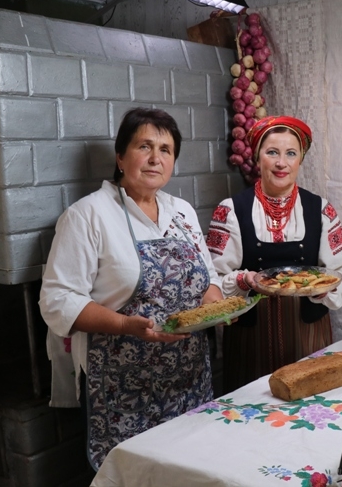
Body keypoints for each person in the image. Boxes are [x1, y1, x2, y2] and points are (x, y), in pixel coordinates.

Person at [39, 108, 224, 469]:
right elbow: (58, 300)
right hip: (121, 389)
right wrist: (125, 325)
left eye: (166, 150)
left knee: (193, 469)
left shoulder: (182, 212)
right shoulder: (88, 215)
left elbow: (208, 278)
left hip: (188, 378)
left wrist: (218, 307)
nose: (156, 158)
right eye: (144, 146)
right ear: (121, 157)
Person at [207, 115, 342, 393]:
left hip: (308, 335)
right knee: (250, 408)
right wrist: (243, 281)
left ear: (300, 159)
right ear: (257, 157)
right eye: (272, 152)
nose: (281, 163)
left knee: (311, 407)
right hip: (250, 338)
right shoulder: (230, 210)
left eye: (291, 153)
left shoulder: (322, 210)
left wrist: (323, 289)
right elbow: (212, 277)